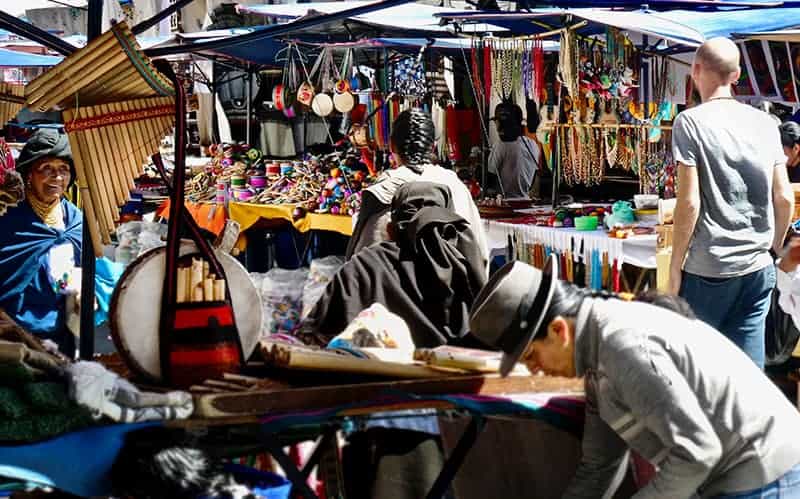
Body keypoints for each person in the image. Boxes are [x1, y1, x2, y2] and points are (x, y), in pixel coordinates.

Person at [470, 257, 800, 498]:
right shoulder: (596, 355)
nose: (535, 369)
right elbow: (599, 466)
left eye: (531, 356)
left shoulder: (623, 345)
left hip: (766, 473)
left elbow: (697, 453)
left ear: (559, 331)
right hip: (733, 474)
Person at [670, 37, 795, 368]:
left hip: (708, 266)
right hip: (756, 266)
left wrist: (674, 267)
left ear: (696, 70)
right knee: (748, 374)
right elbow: (783, 198)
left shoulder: (690, 122)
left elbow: (689, 203)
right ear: (737, 74)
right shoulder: (767, 125)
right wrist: (772, 248)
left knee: (697, 370)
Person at [301, 181, 487, 348]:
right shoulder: (465, 265)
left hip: (373, 378)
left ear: (390, 229)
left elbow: (315, 333)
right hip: (452, 379)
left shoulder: (365, 264)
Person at [346, 109, 488, 266]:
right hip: (453, 287)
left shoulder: (384, 190)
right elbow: (479, 253)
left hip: (398, 288)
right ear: (433, 147)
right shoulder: (454, 185)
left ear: (392, 146)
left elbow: (365, 264)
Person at [0, 129, 82, 354]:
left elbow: (68, 279)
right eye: (46, 168)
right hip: (9, 336)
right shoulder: (7, 219)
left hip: (59, 339)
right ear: (29, 174)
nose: (57, 177)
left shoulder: (76, 222)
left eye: (63, 169)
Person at [488, 101, 541, 199]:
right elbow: (534, 177)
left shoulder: (500, 146)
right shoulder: (533, 145)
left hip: (504, 203)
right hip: (525, 200)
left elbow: (491, 178)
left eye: (498, 122)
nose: (497, 126)